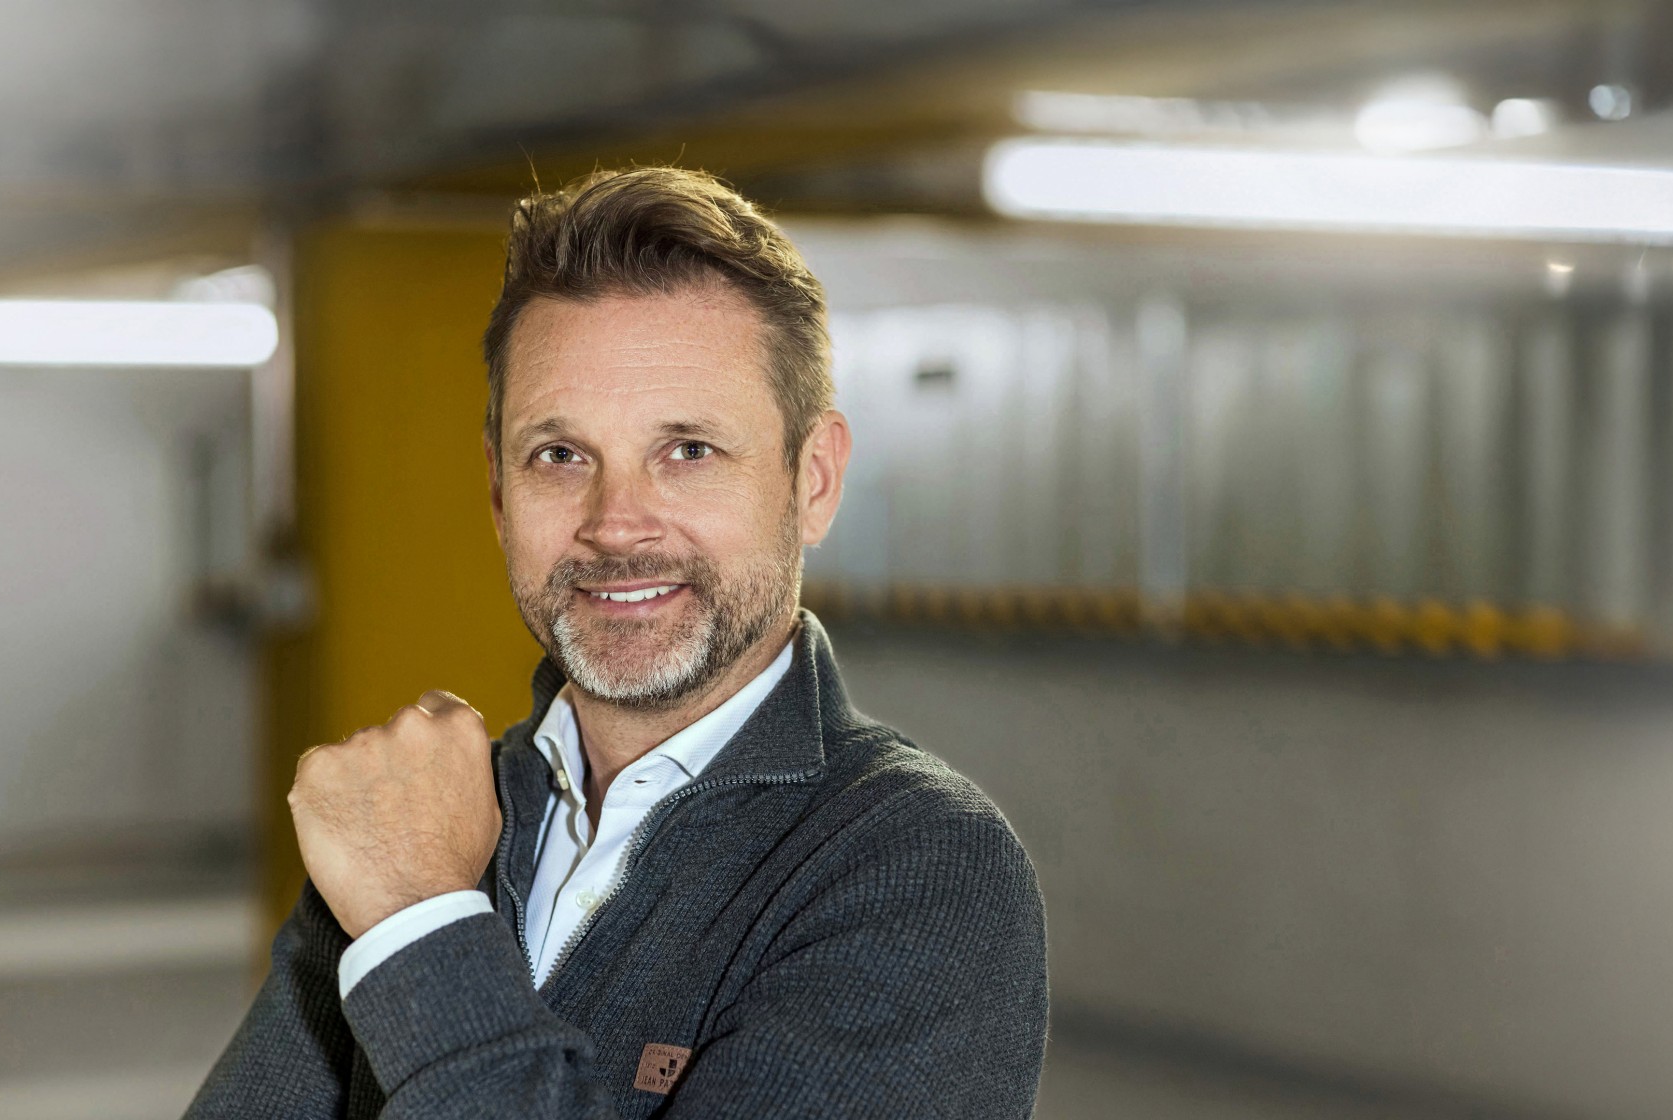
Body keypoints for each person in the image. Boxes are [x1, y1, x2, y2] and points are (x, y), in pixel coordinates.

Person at [186, 167, 1047, 1118]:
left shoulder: (917, 865)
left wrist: (422, 921)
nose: (616, 523)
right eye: (560, 456)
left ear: (813, 480)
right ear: (499, 489)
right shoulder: (428, 820)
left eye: (687, 451)